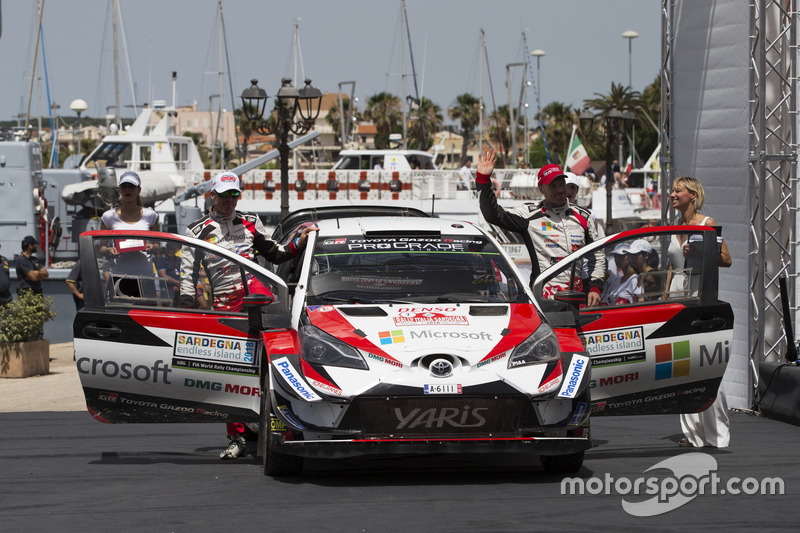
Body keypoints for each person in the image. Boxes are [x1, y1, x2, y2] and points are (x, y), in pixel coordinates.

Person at [179, 171, 318, 460]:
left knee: (269, 363)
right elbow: (187, 276)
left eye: (234, 195)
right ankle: (236, 437)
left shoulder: (250, 222)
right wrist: (186, 307)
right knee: (230, 371)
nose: (230, 201)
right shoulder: (196, 230)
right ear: (212, 195)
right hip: (225, 305)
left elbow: (277, 253)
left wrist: (300, 241)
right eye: (224, 195)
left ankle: (276, 420)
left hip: (258, 300)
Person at [475, 148, 605, 306]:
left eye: (562, 184)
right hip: (544, 300)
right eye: (553, 186)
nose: (560, 190)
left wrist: (595, 287)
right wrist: (483, 179)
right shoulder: (529, 215)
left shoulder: (584, 216)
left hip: (578, 298)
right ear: (541, 189)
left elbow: (597, 254)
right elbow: (493, 215)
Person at [667, 176, 732, 448]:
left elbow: (727, 260)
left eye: (677, 190)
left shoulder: (707, 224)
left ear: (692, 195)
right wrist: (664, 297)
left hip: (701, 296)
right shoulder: (674, 226)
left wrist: (703, 250)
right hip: (678, 296)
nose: (672, 194)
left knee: (707, 361)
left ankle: (717, 434)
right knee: (683, 365)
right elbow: (672, 265)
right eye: (672, 190)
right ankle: (693, 435)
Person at [100, 171, 159, 279]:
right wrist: (109, 251)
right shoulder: (107, 216)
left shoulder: (151, 215)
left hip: (145, 275)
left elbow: (157, 246)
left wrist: (152, 247)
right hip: (119, 275)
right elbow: (102, 248)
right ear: (119, 190)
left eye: (131, 187)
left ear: (139, 190)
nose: (127, 190)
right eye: (124, 186)